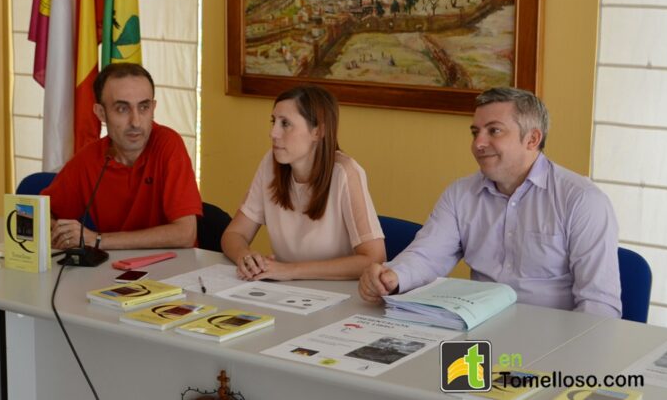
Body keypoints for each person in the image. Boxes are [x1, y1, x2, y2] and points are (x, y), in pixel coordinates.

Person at [359, 87, 622, 317]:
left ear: (532, 139)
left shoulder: (582, 201)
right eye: (475, 132)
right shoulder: (460, 193)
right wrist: (392, 277)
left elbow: (598, 304)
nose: (478, 144)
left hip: (553, 341)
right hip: (478, 329)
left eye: (493, 131)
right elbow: (427, 256)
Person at [221, 85, 386, 281]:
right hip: (287, 293)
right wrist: (245, 257)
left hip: (339, 296)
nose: (273, 133)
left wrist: (290, 270)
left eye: (285, 124)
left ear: (318, 131)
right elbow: (234, 233)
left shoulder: (345, 173)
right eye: (274, 121)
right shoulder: (270, 163)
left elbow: (374, 258)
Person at [45, 63, 202, 251]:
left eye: (143, 107)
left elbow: (185, 234)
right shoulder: (89, 158)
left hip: (175, 270)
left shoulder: (168, 144)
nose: (135, 122)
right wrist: (55, 229)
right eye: (122, 109)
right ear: (101, 113)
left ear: (153, 107)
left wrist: (97, 240)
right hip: (115, 271)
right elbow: (38, 214)